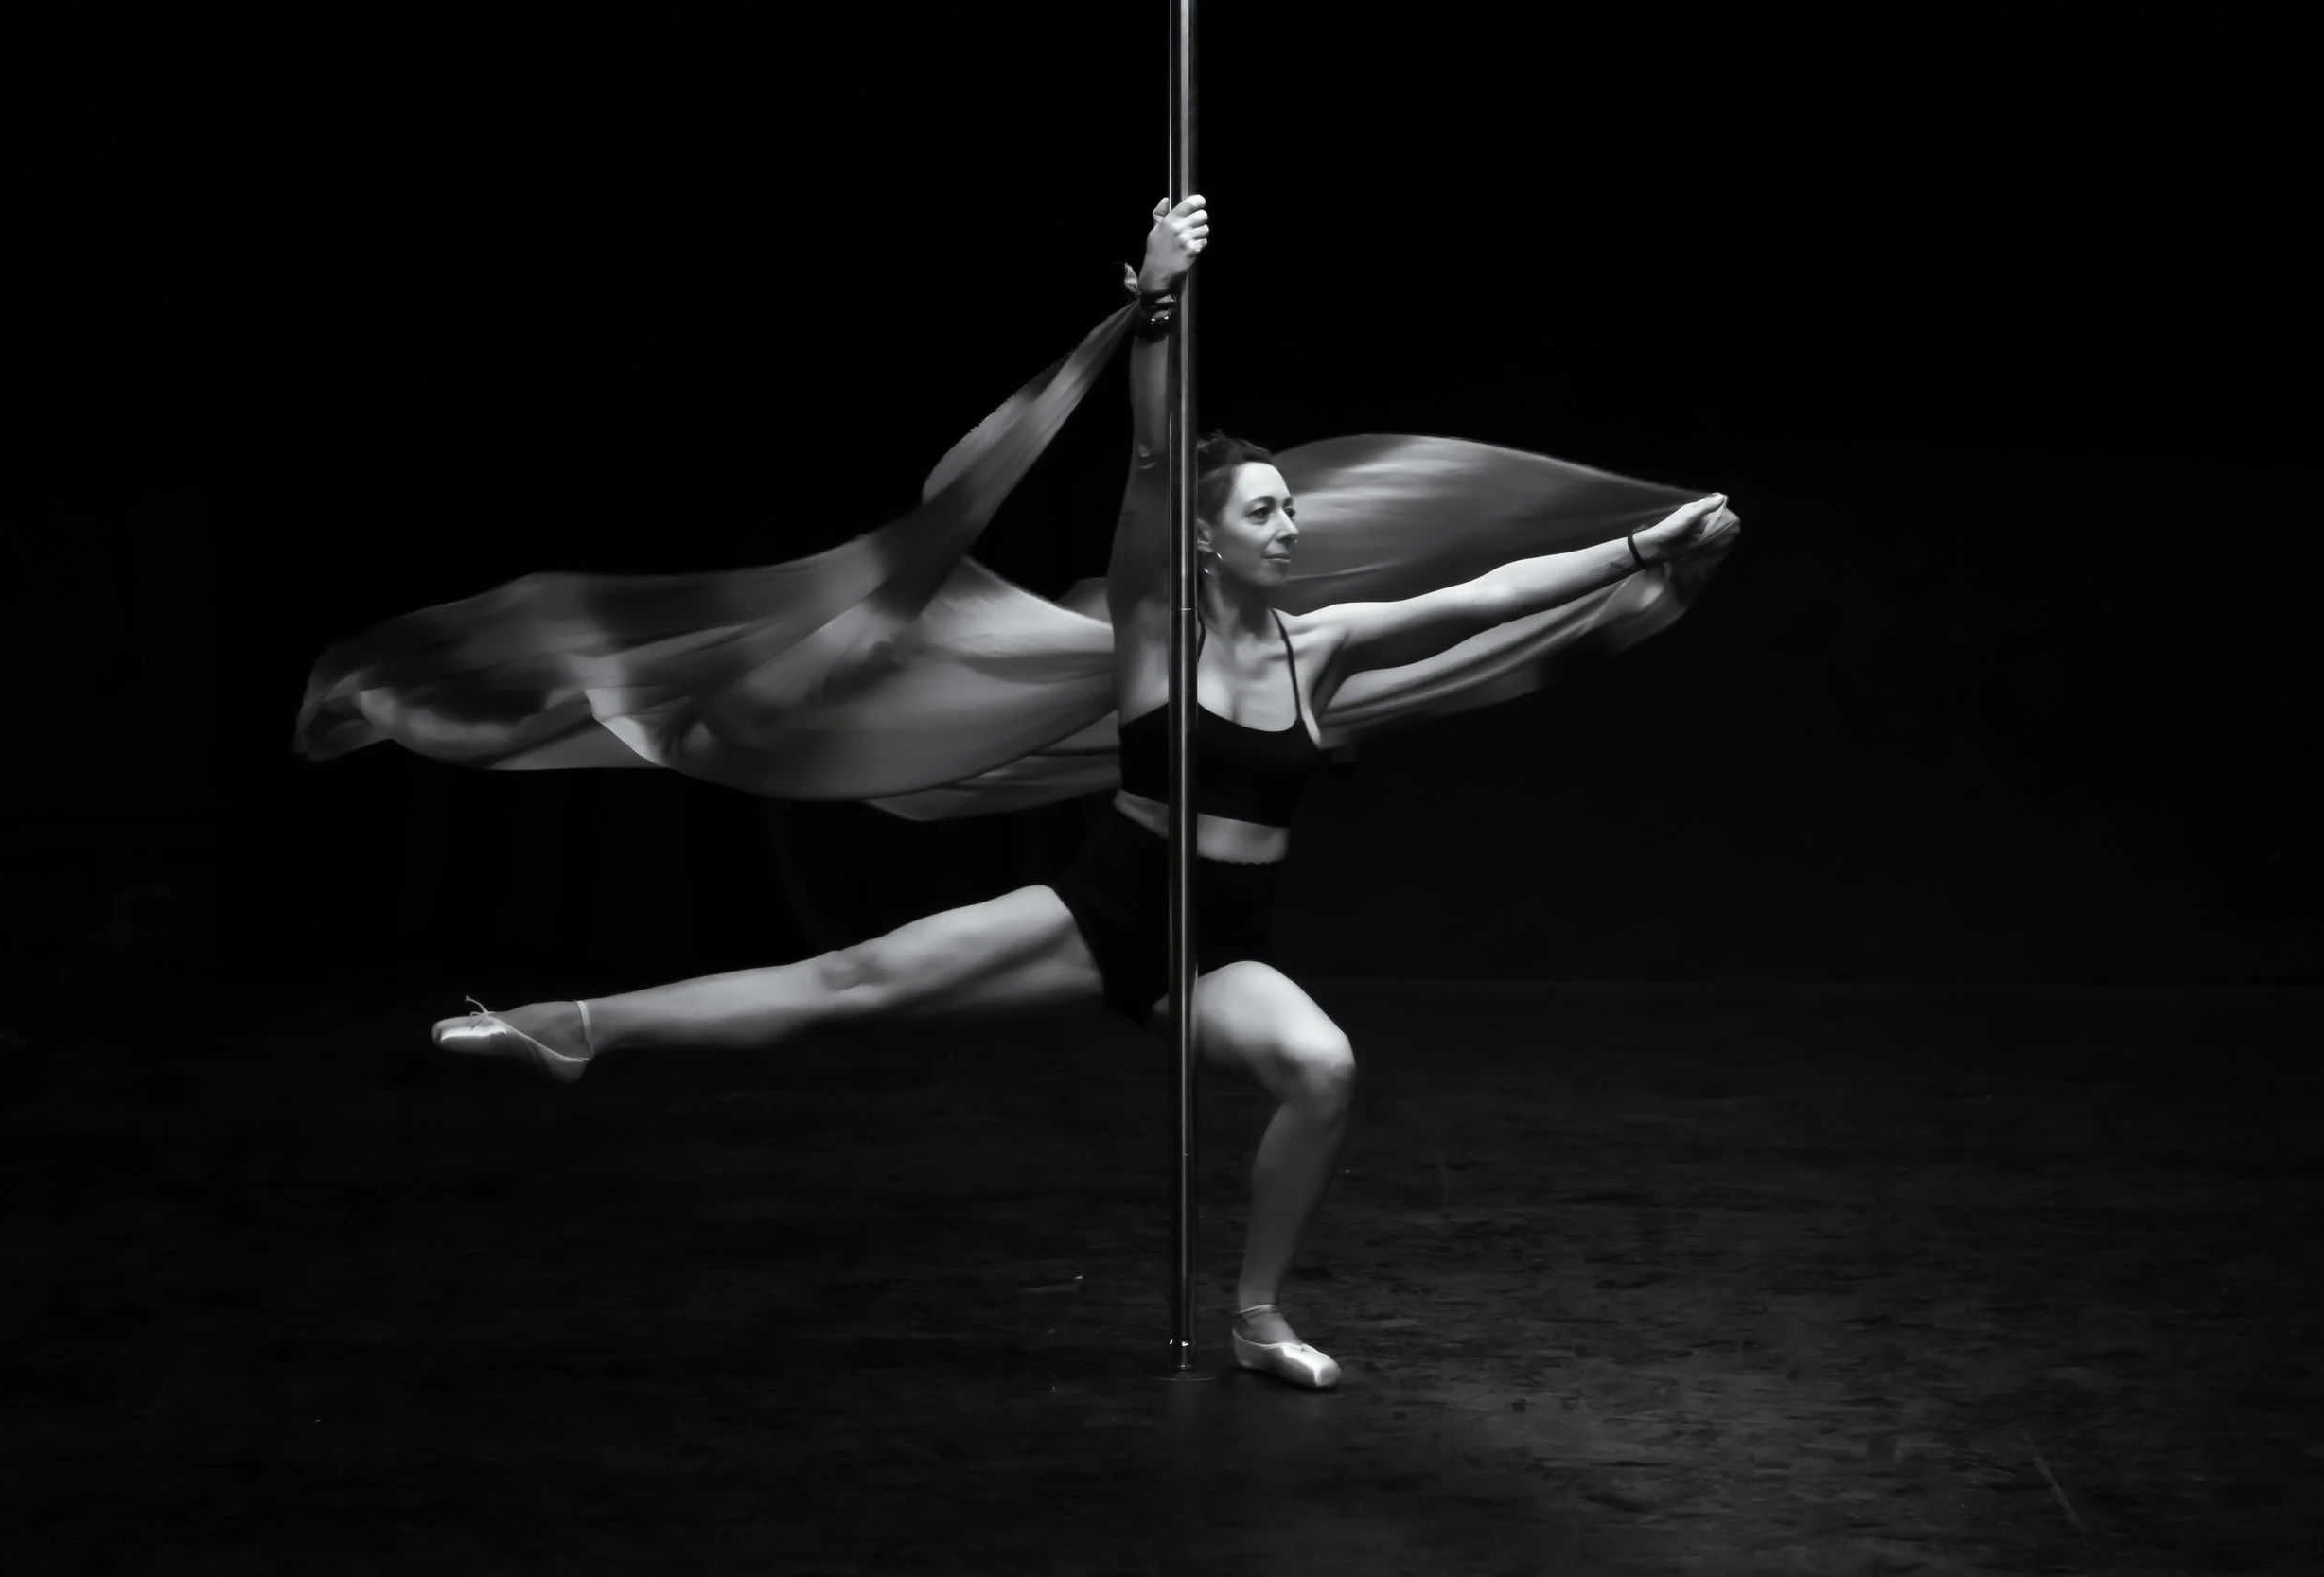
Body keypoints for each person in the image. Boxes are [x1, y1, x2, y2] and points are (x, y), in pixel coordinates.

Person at [431, 195, 1740, 1390]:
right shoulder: (1150, 628)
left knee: (1325, 1069)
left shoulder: (1317, 643)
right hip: (1103, 909)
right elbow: (1155, 463)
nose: (1294, 526)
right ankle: (572, 1024)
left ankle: (1256, 1314)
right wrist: (1159, 306)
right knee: (842, 985)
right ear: (1213, 539)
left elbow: (1485, 593)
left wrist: (1641, 543)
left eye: (1294, 509)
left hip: (1214, 953)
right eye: (1269, 512)